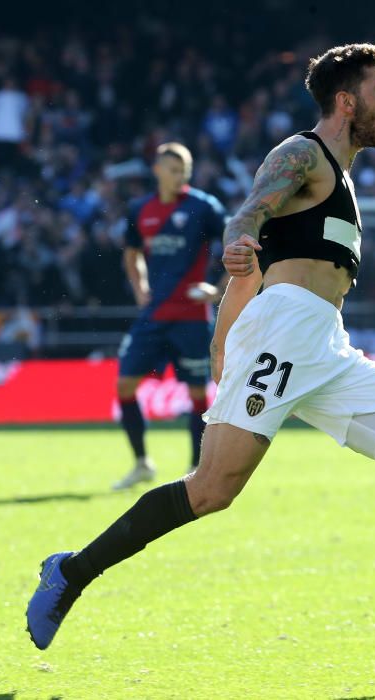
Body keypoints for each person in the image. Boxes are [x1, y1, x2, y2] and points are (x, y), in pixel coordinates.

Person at [26, 44, 375, 666]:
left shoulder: (345, 178)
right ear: (347, 100)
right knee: (212, 489)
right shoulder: (302, 154)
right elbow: (249, 218)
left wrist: (223, 333)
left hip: (323, 342)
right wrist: (237, 246)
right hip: (281, 336)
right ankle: (71, 572)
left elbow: (263, 266)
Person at [112, 142, 226, 489]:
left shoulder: (204, 208)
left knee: (196, 394)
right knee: (124, 386)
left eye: (185, 171)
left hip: (192, 316)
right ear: (158, 170)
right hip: (154, 314)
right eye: (174, 170)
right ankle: (142, 463)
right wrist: (140, 287)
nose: (180, 177)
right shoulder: (140, 208)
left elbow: (240, 246)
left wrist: (217, 289)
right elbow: (131, 255)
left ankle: (196, 469)